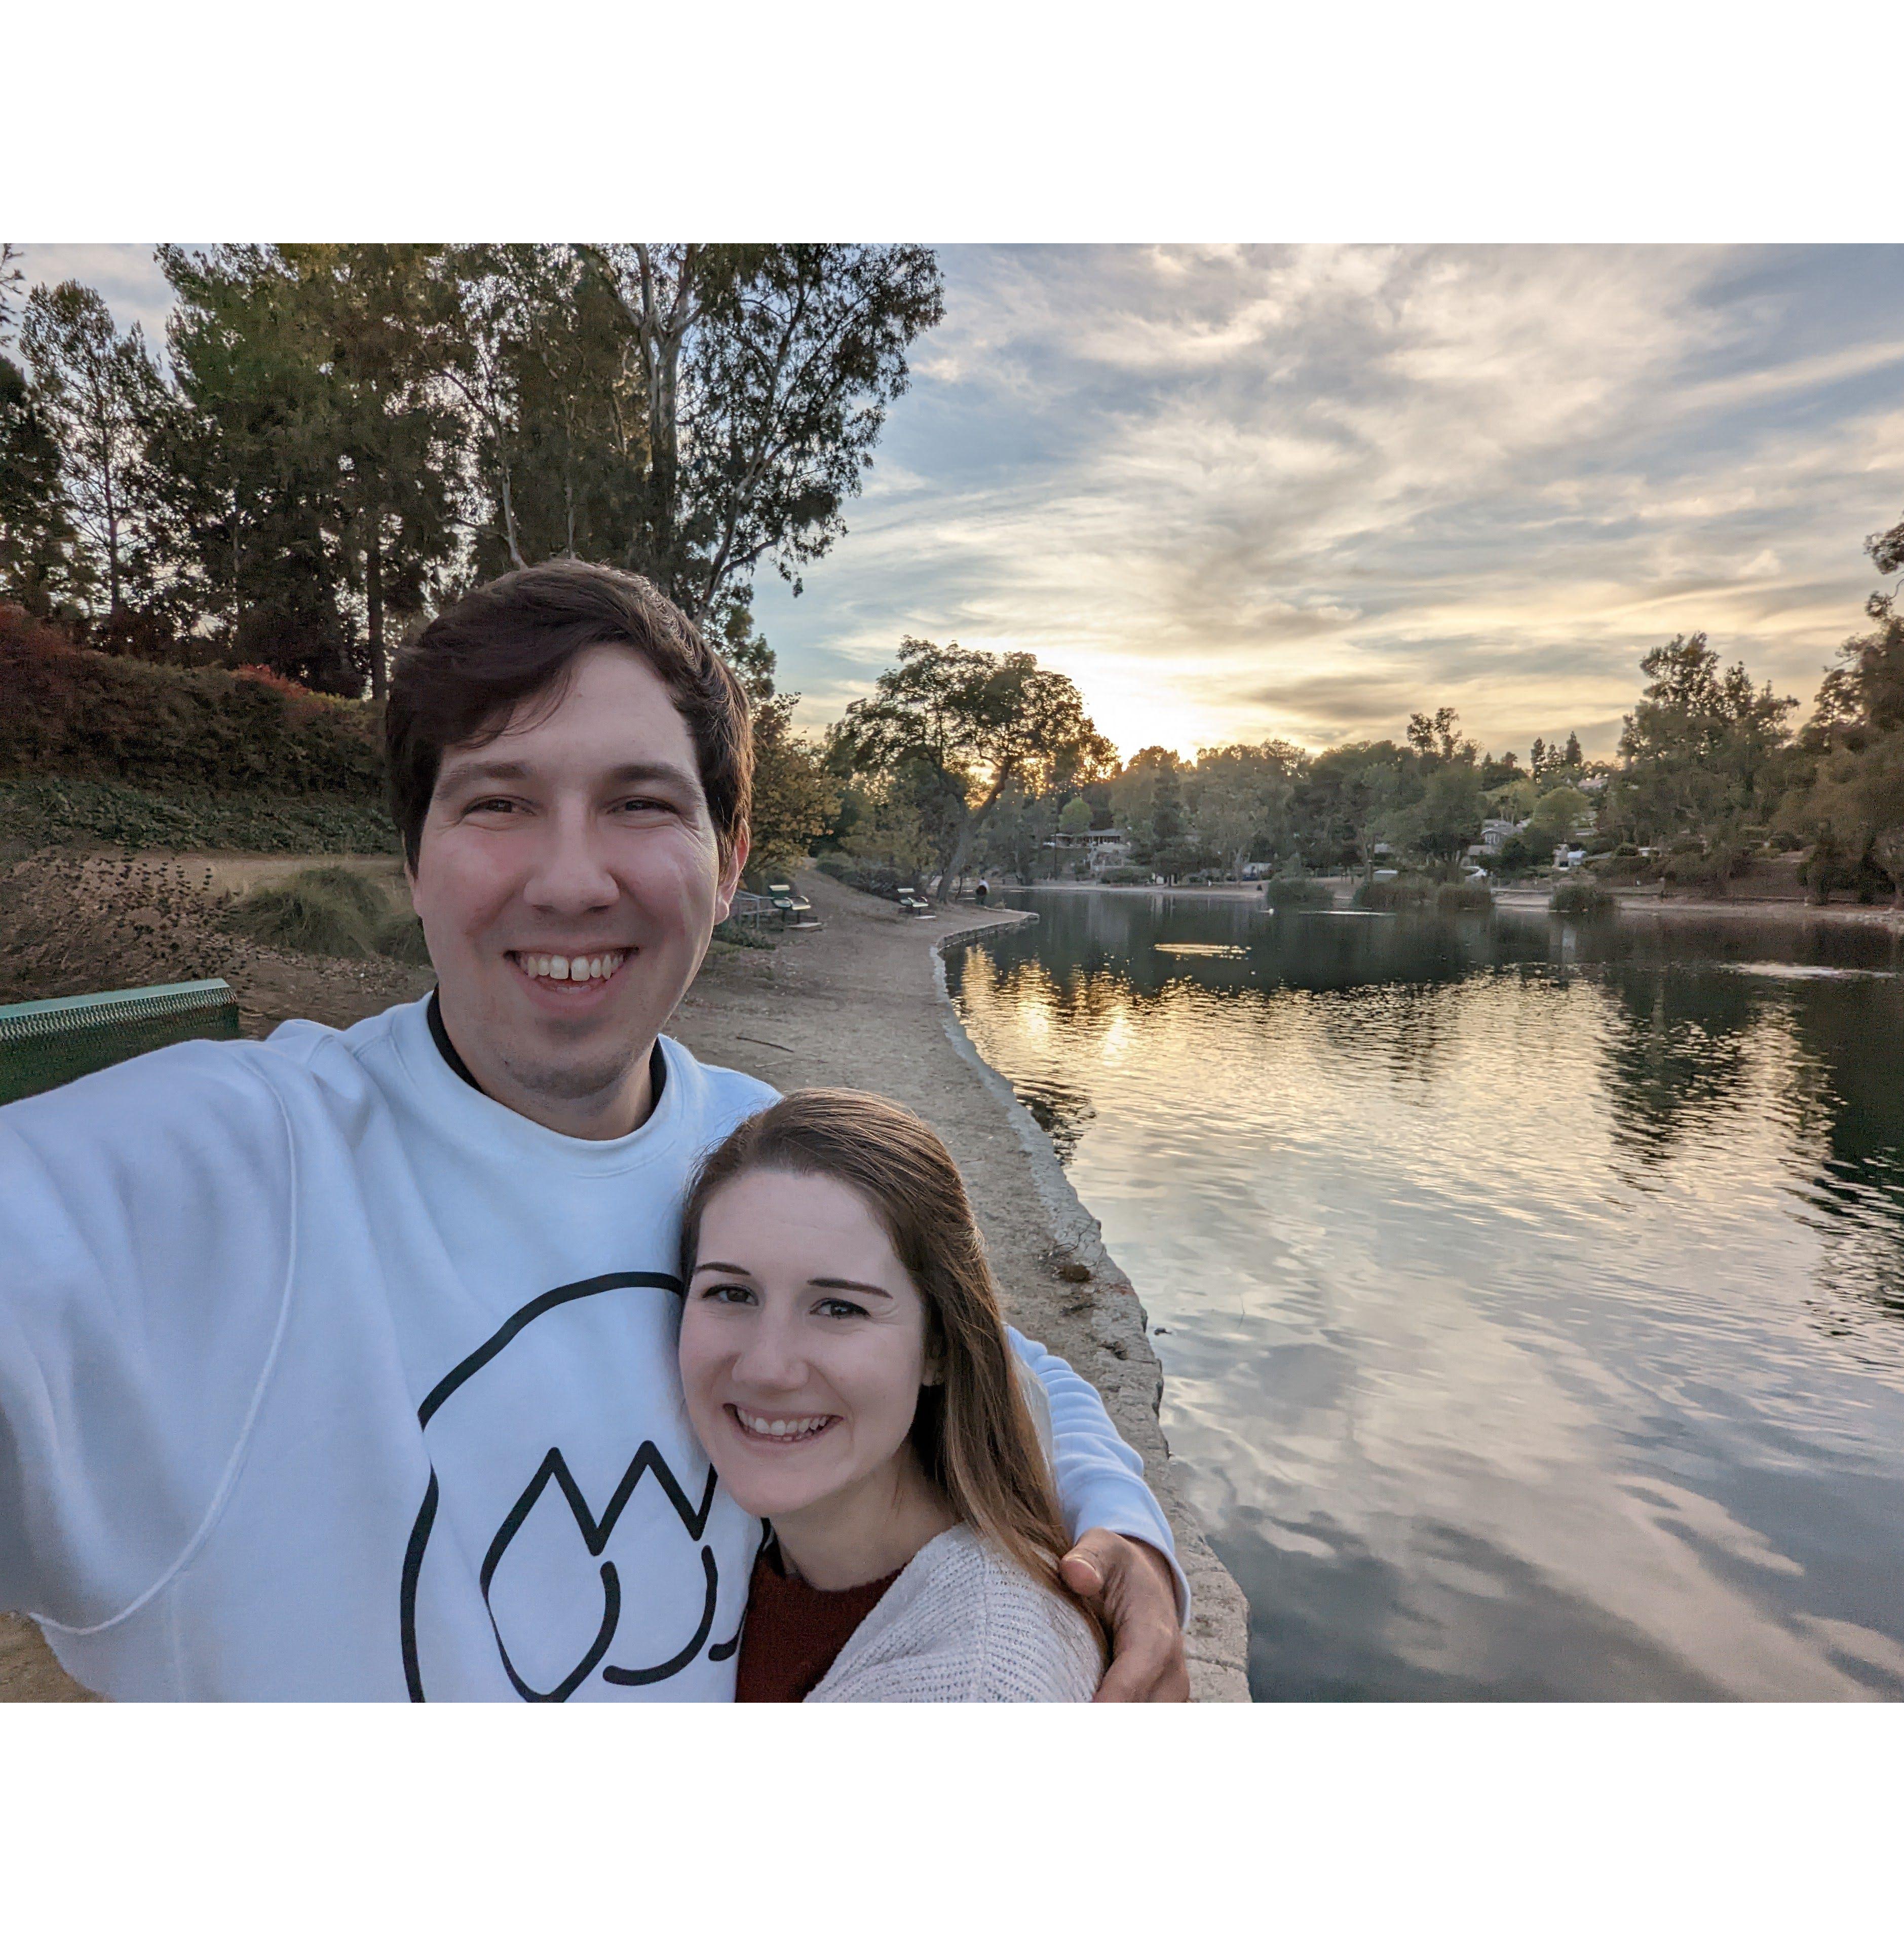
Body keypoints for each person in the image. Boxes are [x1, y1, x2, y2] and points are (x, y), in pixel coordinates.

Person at [0, 560, 1189, 1702]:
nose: (571, 881)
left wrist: (1122, 1527)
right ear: (414, 861)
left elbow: (999, 1359)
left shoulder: (756, 1150)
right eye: (499, 801)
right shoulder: (237, 1171)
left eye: (639, 803)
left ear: (727, 864)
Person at [679, 1090, 1103, 1702]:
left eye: (839, 1308)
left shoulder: (976, 1685)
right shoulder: (760, 1547)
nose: (767, 1367)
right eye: (731, 1293)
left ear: (940, 1346)